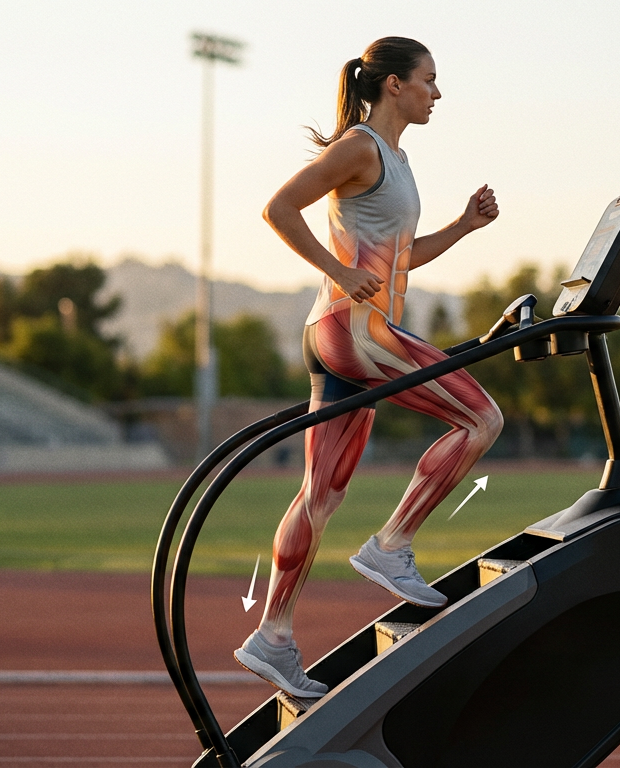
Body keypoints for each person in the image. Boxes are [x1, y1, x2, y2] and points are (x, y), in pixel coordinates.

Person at [233, 37, 504, 698]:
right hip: (353, 331)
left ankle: (272, 636)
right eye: (428, 81)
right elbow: (277, 209)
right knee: (481, 417)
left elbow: (400, 261)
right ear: (393, 86)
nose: (436, 93)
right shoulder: (359, 147)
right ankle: (392, 544)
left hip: (348, 334)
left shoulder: (398, 161)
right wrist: (338, 270)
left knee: (320, 495)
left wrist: (464, 226)